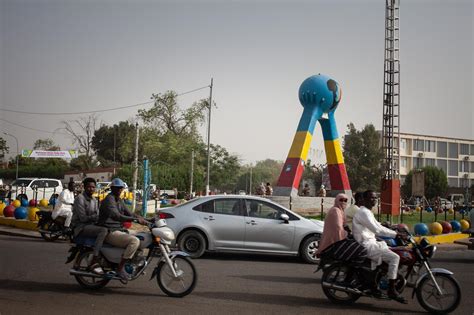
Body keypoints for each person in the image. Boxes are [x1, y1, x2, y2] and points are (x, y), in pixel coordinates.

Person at [352, 190, 407, 304]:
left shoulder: (367, 212)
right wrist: (396, 234)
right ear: (365, 199)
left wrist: (394, 229)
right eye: (371, 198)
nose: (374, 200)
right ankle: (391, 290)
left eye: (375, 198)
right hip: (366, 244)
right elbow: (377, 230)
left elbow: (377, 225)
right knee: (394, 258)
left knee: (389, 251)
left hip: (371, 242)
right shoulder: (363, 212)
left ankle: (374, 284)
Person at [98, 178, 146, 282]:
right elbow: (117, 216)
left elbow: (129, 213)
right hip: (109, 231)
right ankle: (120, 268)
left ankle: (134, 262)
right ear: (112, 188)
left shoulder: (118, 199)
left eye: (121, 188)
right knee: (134, 241)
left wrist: (145, 219)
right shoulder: (109, 199)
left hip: (119, 229)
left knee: (142, 235)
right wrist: (134, 219)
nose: (120, 190)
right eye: (117, 188)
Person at [71, 177, 108, 275]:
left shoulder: (94, 199)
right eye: (89, 187)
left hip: (91, 225)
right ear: (84, 187)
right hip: (80, 227)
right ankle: (95, 259)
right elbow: (83, 218)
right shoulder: (80, 199)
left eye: (93, 187)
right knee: (103, 231)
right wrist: (96, 217)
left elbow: (97, 214)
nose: (91, 189)